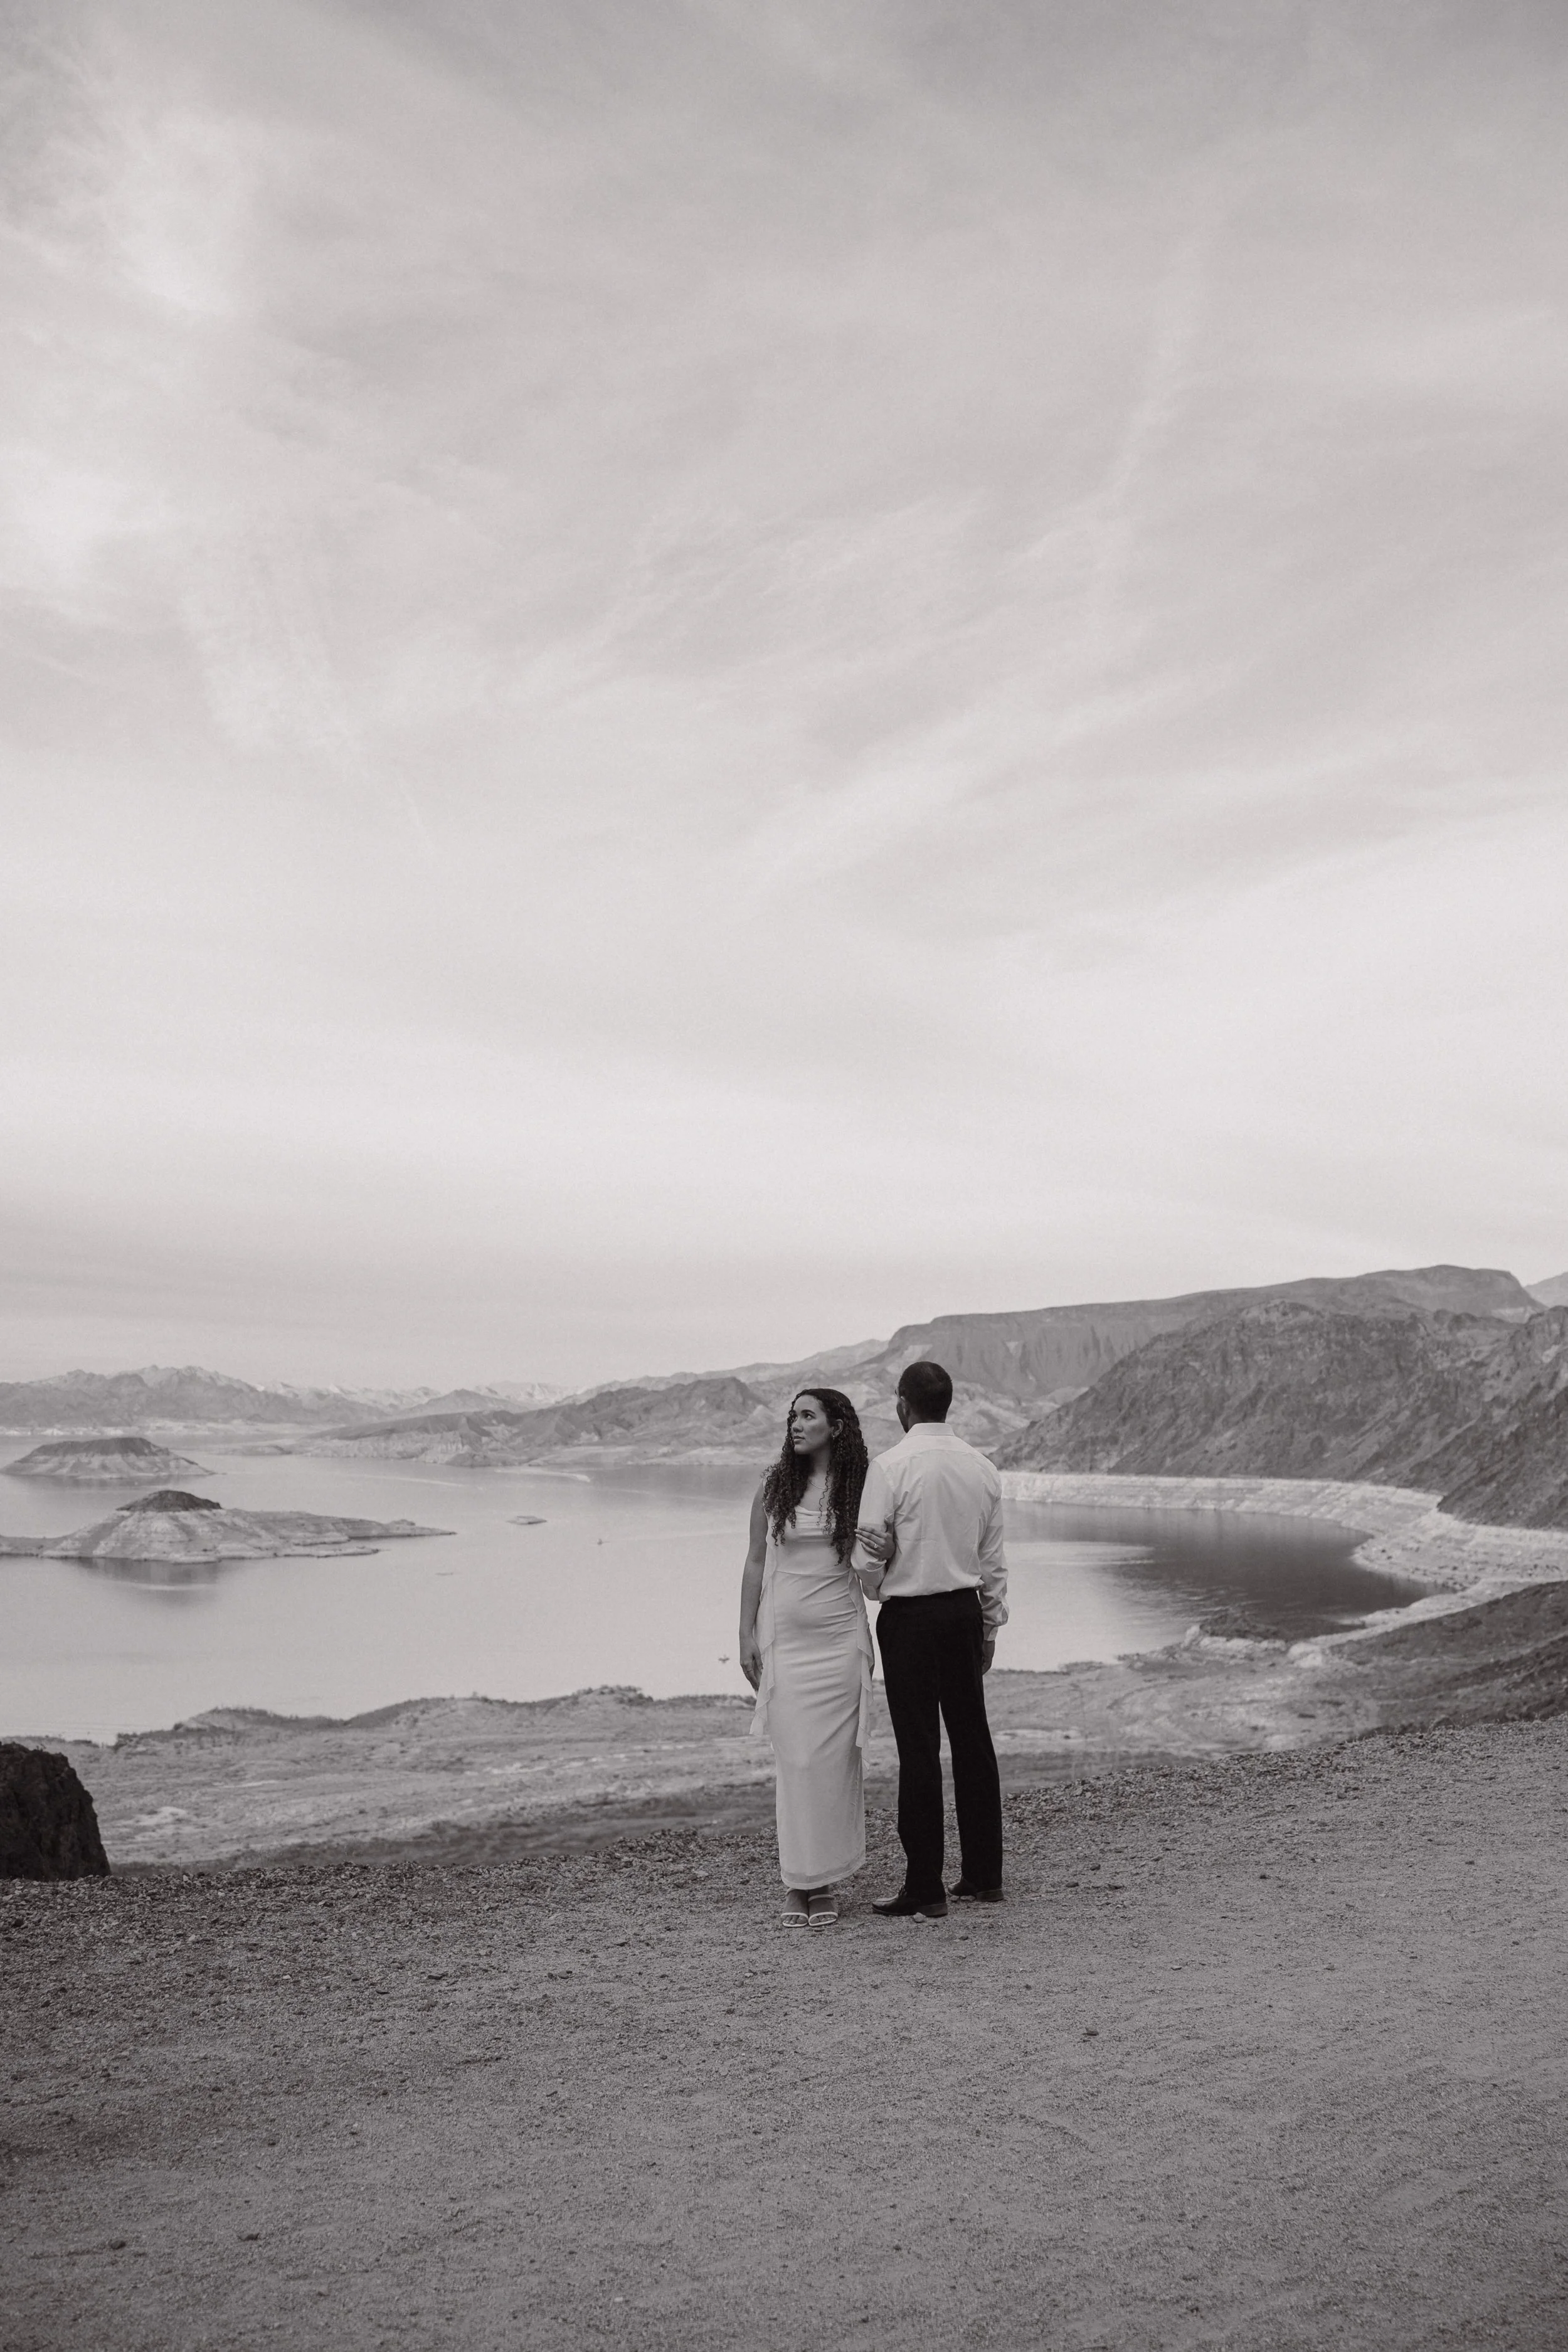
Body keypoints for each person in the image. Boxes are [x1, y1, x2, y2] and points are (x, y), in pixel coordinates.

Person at [855, 1359, 1007, 1920]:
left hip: (911, 1619)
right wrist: (989, 1625)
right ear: (949, 1405)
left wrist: (879, 1586)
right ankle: (985, 1876)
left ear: (902, 1406)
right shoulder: (982, 1468)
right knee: (973, 1742)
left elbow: (869, 1553)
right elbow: (992, 1561)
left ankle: (926, 1886)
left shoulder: (890, 1467)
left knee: (918, 1750)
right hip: (964, 1614)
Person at [739, 1388, 874, 1927]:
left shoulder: (861, 1488)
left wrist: (883, 1558)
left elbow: (874, 1571)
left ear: (836, 1426)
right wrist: (745, 1634)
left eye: (807, 1416)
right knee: (795, 1760)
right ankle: (800, 1879)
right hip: (786, 1643)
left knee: (833, 1763)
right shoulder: (774, 1487)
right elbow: (753, 1562)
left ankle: (825, 1880)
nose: (795, 1424)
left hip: (842, 1641)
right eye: (793, 1416)